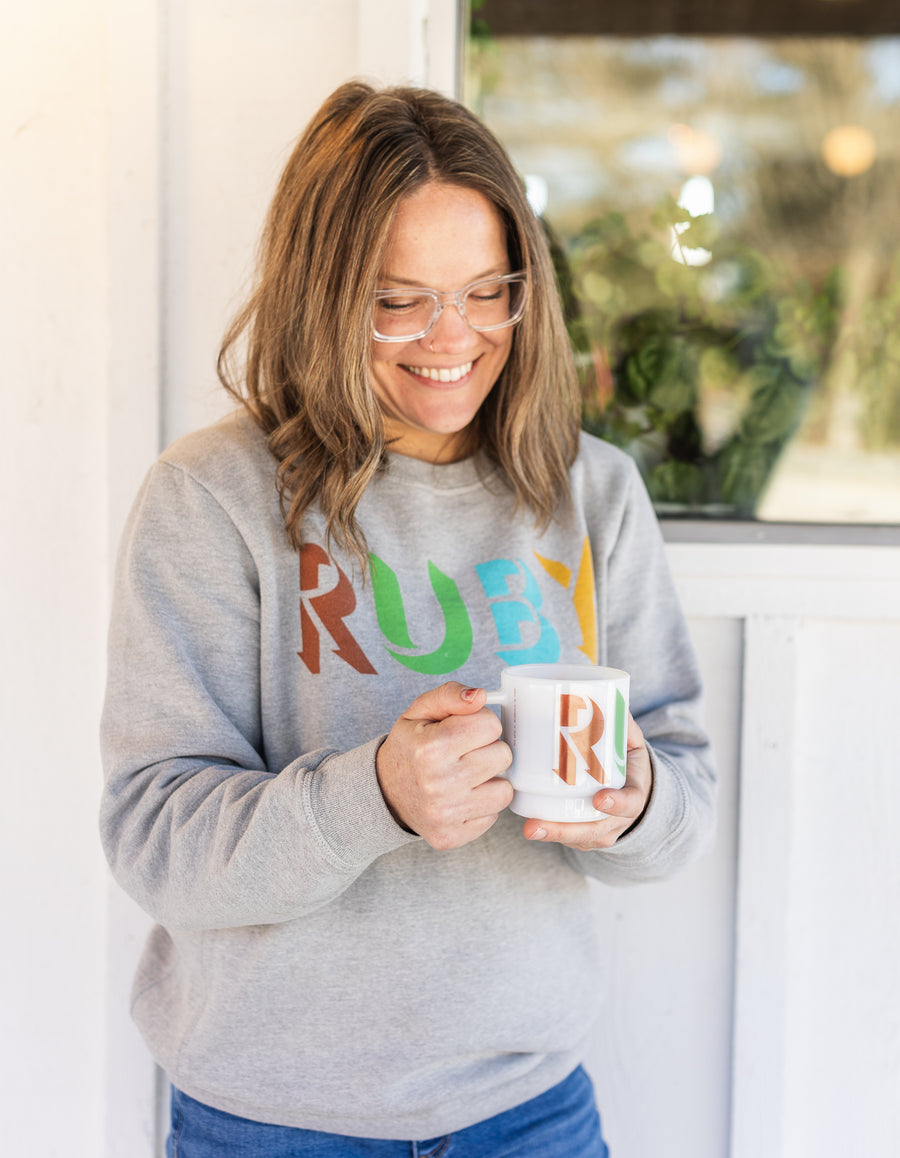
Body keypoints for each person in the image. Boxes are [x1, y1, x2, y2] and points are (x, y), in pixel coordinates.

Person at [100, 80, 717, 1157]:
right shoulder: (211, 499)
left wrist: (634, 800)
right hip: (274, 1124)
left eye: (488, 292)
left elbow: (681, 788)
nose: (455, 337)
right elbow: (156, 837)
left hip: (529, 1115)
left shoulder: (591, 491)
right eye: (401, 298)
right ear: (324, 294)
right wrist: (374, 796)